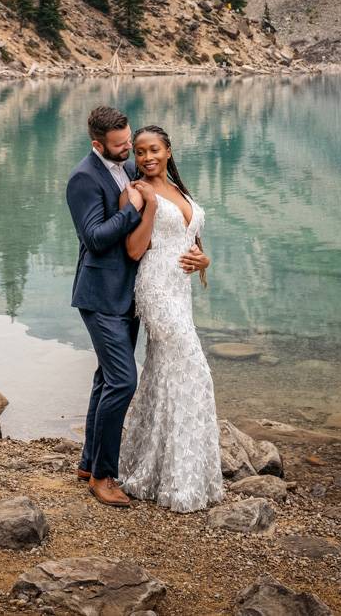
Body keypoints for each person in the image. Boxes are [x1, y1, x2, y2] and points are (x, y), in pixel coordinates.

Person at [115, 124, 220, 511]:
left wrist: (204, 261)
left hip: (180, 291)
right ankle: (180, 479)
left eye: (154, 149)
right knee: (194, 371)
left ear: (169, 151)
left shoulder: (179, 189)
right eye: (139, 152)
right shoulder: (138, 192)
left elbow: (190, 241)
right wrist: (152, 208)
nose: (146, 157)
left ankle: (154, 471)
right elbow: (133, 249)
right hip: (156, 290)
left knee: (164, 373)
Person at [66, 105, 145, 507]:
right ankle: (103, 476)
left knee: (106, 379)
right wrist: (131, 209)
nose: (128, 149)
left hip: (127, 294)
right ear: (98, 144)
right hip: (98, 295)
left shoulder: (128, 168)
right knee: (123, 381)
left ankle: (87, 461)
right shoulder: (83, 178)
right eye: (119, 145)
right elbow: (95, 238)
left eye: (128, 140)